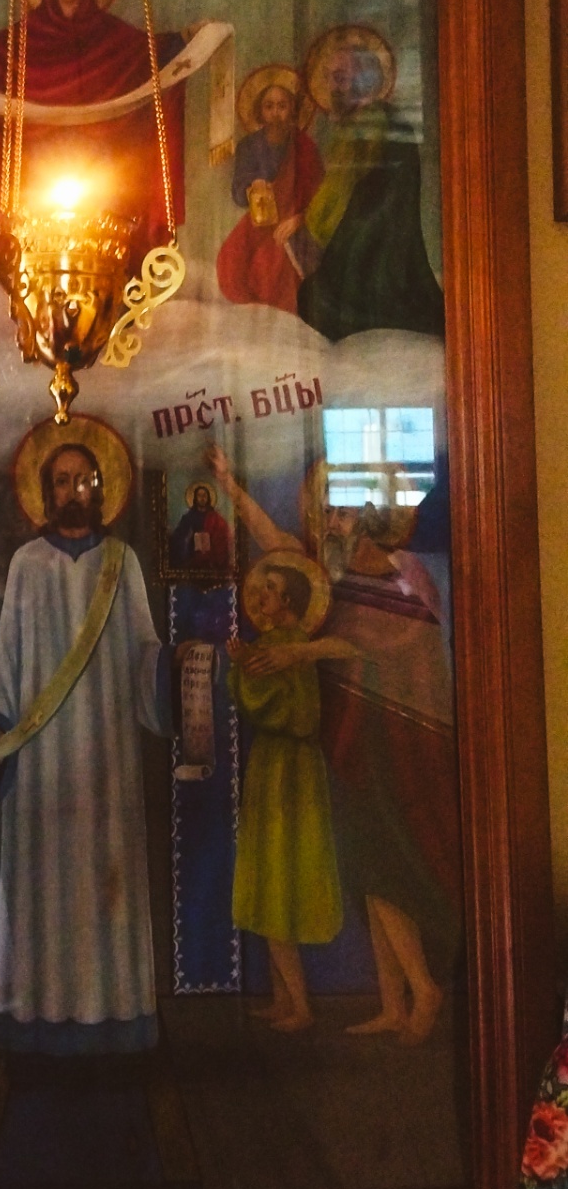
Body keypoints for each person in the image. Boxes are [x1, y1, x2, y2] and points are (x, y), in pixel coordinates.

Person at [206, 441, 456, 1041]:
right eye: (326, 511)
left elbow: (380, 643)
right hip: (349, 735)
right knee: (367, 870)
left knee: (386, 868)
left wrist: (302, 652)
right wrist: (231, 487)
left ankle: (424, 990)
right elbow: (276, 544)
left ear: (370, 513)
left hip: (395, 739)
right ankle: (393, 1004)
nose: (331, 522)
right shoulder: (331, 571)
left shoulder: (402, 574)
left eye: (342, 511)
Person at [0, 426, 169, 1055]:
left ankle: (115, 1016)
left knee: (107, 881)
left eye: (84, 480)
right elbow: (8, 653)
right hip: (41, 757)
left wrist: (177, 671)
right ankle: (40, 1017)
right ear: (46, 492)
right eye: (62, 481)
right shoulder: (27, 563)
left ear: (100, 488)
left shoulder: (122, 562)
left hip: (108, 753)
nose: (74, 490)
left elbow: (145, 652)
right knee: (44, 886)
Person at [0, 0, 187, 263]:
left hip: (101, 158)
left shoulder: (111, 35)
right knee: (42, 241)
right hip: (42, 156)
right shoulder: (25, 38)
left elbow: (149, 56)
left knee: (105, 233)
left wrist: (184, 40)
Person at [229, 560, 343, 1032]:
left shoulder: (287, 646)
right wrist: (245, 665)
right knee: (270, 881)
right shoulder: (278, 643)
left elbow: (280, 710)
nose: (261, 597)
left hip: (287, 772)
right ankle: (283, 1001)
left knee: (278, 882)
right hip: (277, 766)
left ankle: (300, 1007)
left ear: (290, 601)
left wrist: (243, 668)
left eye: (270, 589)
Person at [291, 28, 445, 341]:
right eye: (331, 78)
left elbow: (339, 188)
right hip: (395, 252)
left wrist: (305, 222)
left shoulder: (364, 123)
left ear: (365, 80)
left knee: (313, 297)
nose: (332, 87)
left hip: (365, 252)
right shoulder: (390, 117)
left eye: (340, 78)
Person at [216, 68, 324, 314]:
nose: (276, 113)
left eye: (282, 106)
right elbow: (238, 192)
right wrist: (252, 187)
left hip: (297, 223)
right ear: (260, 111)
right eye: (269, 106)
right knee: (232, 260)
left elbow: (319, 193)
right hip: (260, 219)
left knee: (270, 266)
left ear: (292, 109)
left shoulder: (305, 146)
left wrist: (300, 219)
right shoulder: (249, 146)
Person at [169, 481, 232, 573]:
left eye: (204, 495)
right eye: (199, 495)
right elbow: (179, 534)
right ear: (195, 497)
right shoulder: (188, 517)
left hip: (211, 552)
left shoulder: (215, 516)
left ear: (208, 498)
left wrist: (211, 538)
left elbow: (224, 533)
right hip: (192, 552)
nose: (202, 498)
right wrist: (190, 537)